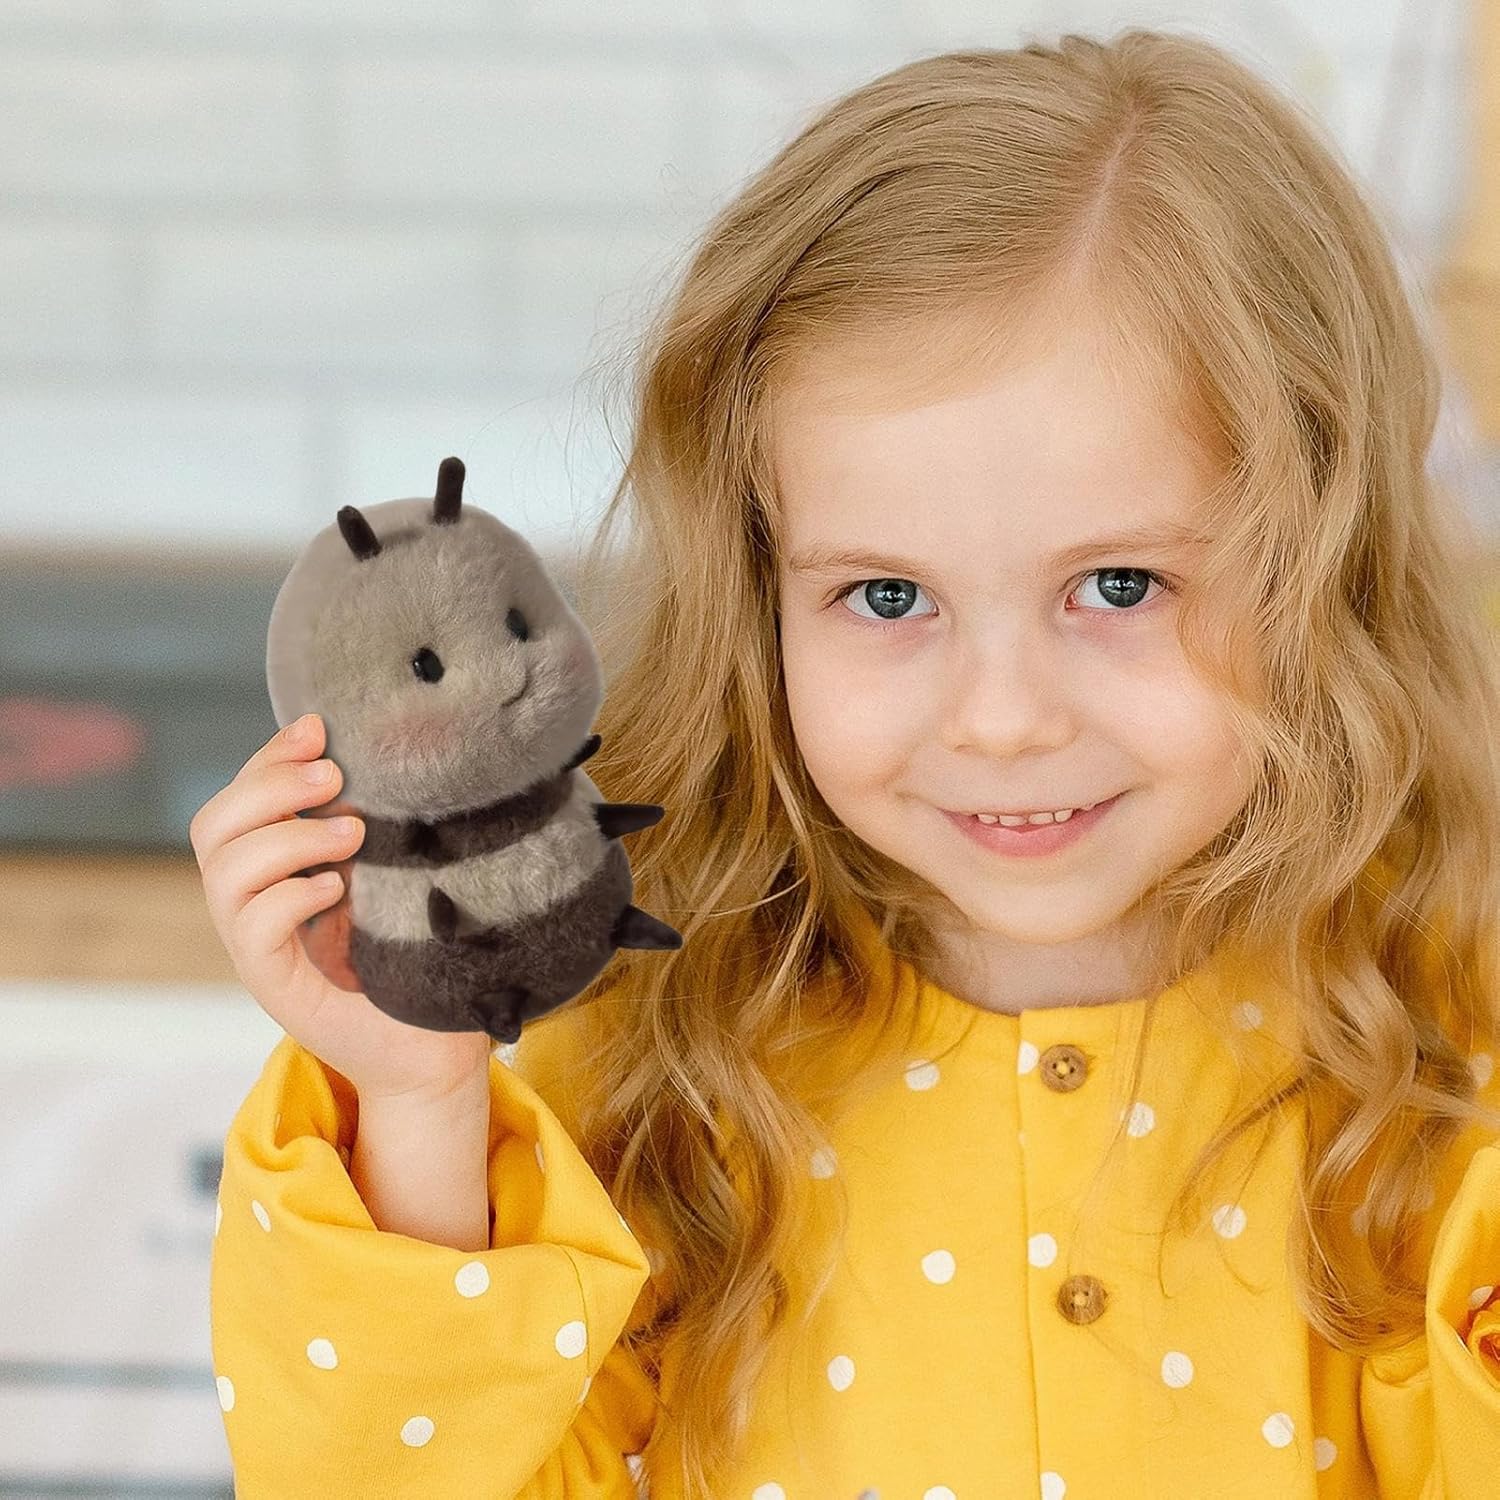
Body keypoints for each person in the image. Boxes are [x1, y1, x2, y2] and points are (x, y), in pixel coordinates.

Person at [195, 28, 1500, 1500]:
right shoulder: (654, 1063)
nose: (1001, 719)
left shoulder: (1444, 1061)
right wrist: (417, 1101)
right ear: (761, 598)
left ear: (1326, 562)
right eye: (887, 597)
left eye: (1120, 586)